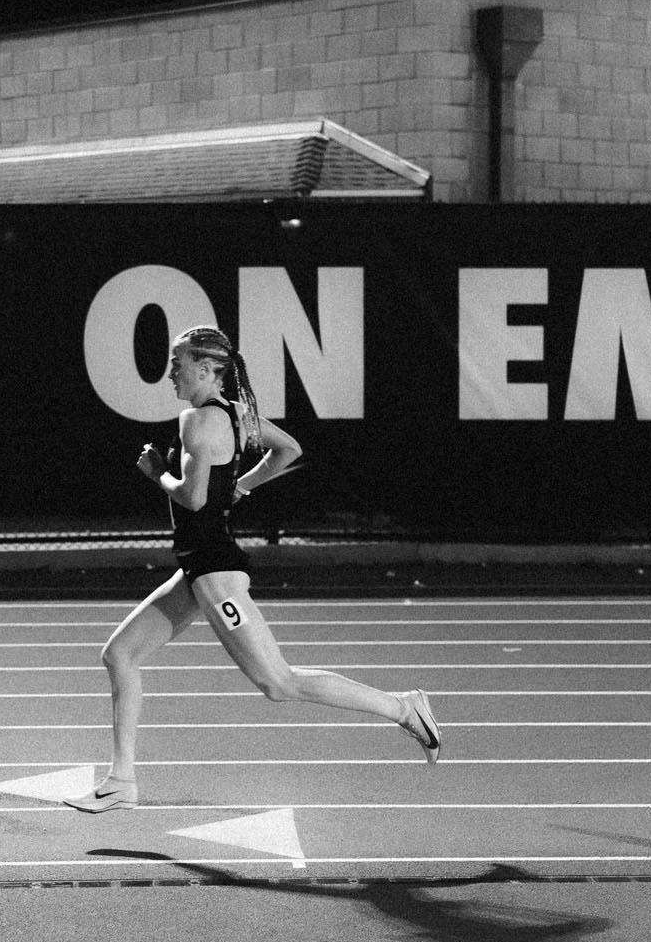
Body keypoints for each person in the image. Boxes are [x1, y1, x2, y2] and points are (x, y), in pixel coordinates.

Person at [66, 325, 440, 813]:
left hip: (214, 573)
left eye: (177, 364)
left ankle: (404, 708)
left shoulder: (197, 419)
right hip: (198, 570)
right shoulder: (236, 414)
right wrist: (240, 487)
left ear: (205, 369)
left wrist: (157, 472)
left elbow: (193, 497)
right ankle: (121, 782)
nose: (170, 373)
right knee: (119, 655)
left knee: (278, 683)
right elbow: (289, 450)